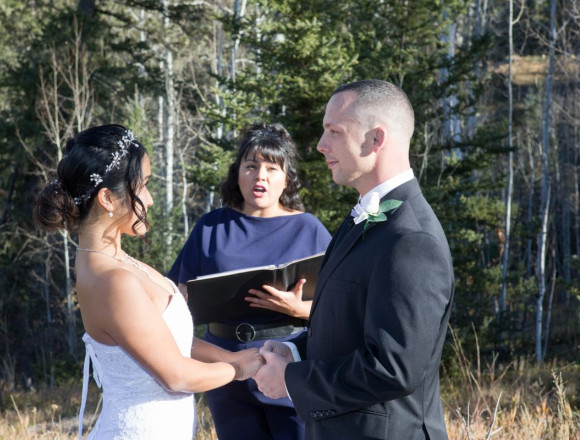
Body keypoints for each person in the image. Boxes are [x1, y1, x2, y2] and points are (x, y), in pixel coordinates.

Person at [33, 124, 265, 440]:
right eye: (142, 186)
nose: (150, 199)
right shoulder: (112, 280)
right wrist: (240, 369)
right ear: (107, 199)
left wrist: (234, 357)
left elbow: (164, 343)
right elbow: (175, 375)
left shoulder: (118, 262)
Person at [253, 80, 455, 440]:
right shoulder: (363, 219)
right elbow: (346, 331)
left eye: (334, 131)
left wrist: (291, 380)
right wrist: (293, 350)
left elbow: (392, 368)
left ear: (376, 139)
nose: (320, 144)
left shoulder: (412, 239)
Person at [168, 122, 331, 440]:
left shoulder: (309, 229)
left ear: (286, 179)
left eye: (272, 168)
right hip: (225, 369)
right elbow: (176, 297)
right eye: (252, 166)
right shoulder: (211, 227)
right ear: (237, 173)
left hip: (289, 363)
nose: (261, 176)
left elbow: (343, 308)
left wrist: (298, 309)